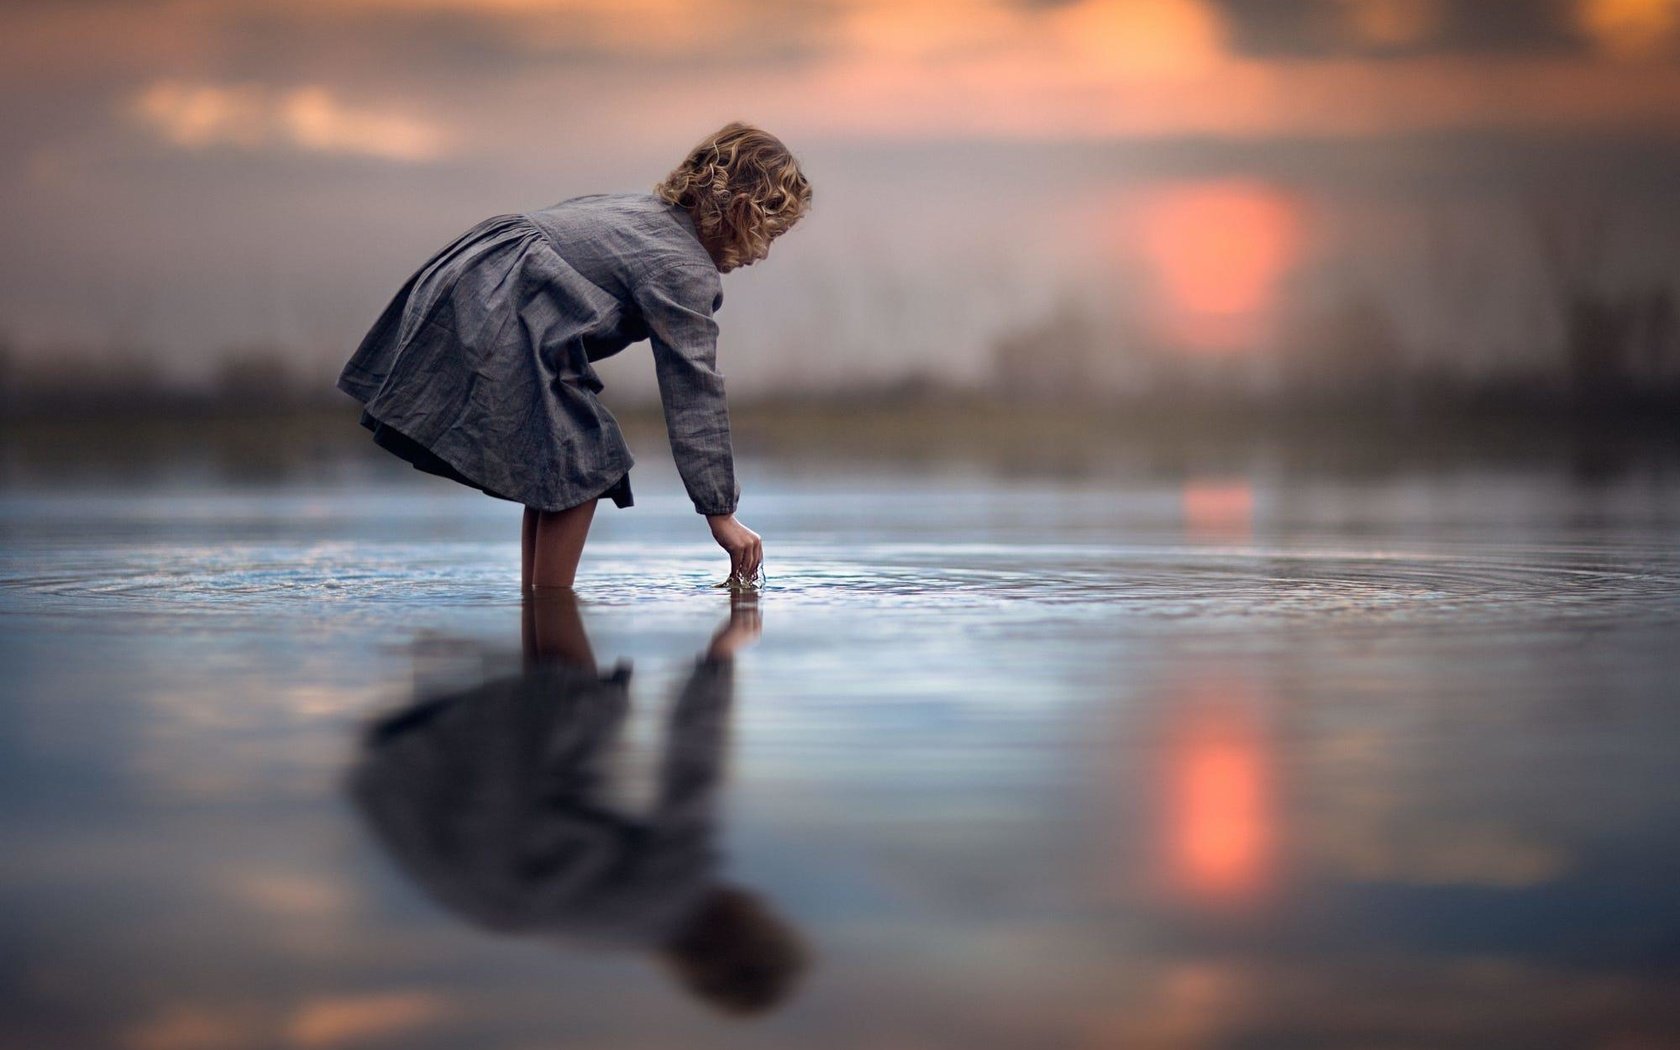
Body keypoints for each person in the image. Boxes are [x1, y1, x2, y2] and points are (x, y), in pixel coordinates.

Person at [335, 122, 812, 591]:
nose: (763, 252)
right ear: (743, 211)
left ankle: (539, 610)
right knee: (585, 462)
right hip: (494, 309)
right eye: (769, 232)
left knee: (560, 460)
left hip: (472, 283)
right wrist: (721, 512)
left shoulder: (639, 212)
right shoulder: (683, 268)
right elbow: (694, 391)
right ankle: (552, 615)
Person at [348, 590, 809, 1017]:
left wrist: (719, 657)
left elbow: (693, 765)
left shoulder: (675, 894)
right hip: (399, 779)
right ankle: (530, 621)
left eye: (764, 917)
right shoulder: (621, 929)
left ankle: (531, 617)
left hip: (447, 766)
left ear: (749, 931)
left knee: (594, 699)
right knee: (594, 718)